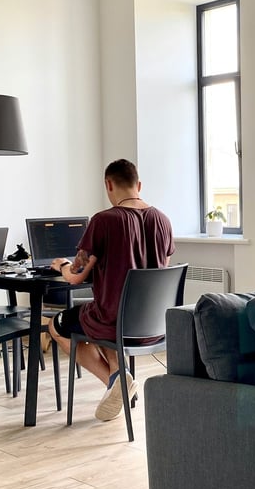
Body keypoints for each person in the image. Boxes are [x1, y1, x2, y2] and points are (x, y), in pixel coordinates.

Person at [47, 159, 175, 422]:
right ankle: (120, 380)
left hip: (112, 321)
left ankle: (117, 380)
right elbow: (162, 270)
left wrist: (62, 265)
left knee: (57, 326)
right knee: (95, 317)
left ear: (108, 185)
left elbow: (76, 277)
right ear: (138, 185)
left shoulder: (103, 220)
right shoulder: (163, 220)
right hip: (153, 325)